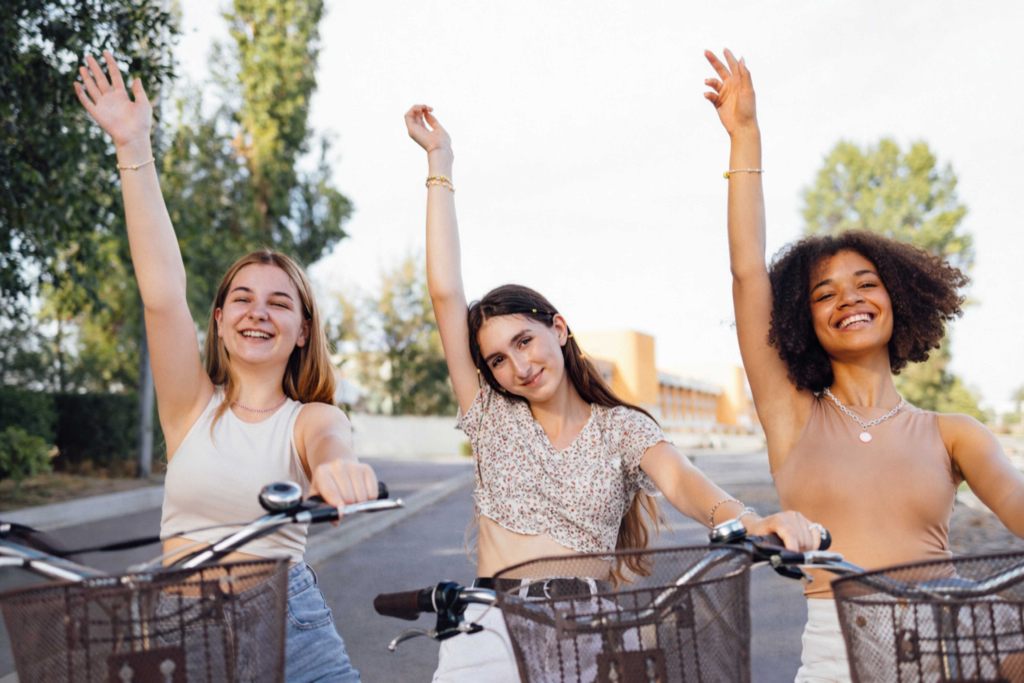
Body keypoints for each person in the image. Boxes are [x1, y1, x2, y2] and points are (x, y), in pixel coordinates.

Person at [403, 103, 824, 682]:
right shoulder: (489, 416)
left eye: (525, 341)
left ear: (558, 327)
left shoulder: (620, 427)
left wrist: (752, 522)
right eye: (497, 359)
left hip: (592, 630)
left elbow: (680, 480)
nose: (518, 366)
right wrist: (440, 162)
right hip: (492, 630)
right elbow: (446, 292)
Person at [702, 48, 1024, 682]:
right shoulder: (791, 415)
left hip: (951, 641)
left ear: (897, 300)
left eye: (865, 283)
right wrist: (745, 138)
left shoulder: (953, 431)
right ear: (802, 319)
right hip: (836, 655)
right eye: (824, 293)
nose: (848, 298)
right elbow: (746, 271)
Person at [75, 52, 376, 682]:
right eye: (241, 298)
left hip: (291, 626)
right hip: (182, 633)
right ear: (218, 320)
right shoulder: (192, 407)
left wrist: (336, 470)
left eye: (278, 303)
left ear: (302, 331)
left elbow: (328, 445)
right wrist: (134, 147)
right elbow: (162, 291)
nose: (257, 312)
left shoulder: (310, 417)